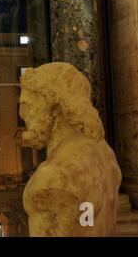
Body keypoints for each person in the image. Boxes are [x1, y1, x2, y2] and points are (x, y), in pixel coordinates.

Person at [20, 63, 122, 237]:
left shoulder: (51, 178)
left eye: (27, 105)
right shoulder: (106, 156)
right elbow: (87, 219)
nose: (22, 114)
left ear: (53, 107)